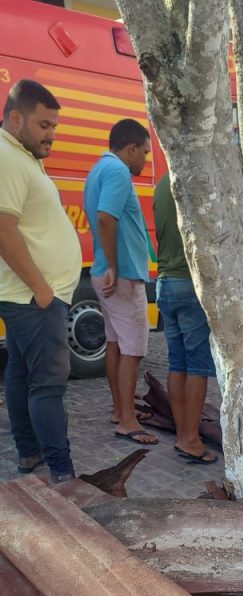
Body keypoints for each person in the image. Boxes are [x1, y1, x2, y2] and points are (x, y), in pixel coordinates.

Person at [0, 80, 81, 483]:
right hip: (34, 298)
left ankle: (30, 456)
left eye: (55, 126)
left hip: (31, 296)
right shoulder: (7, 157)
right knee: (48, 384)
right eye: (45, 125)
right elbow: (4, 232)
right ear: (16, 118)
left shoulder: (22, 156)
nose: (52, 134)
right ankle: (63, 476)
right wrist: (43, 291)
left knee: (20, 374)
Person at [84, 118, 158, 446]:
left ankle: (121, 410)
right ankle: (127, 421)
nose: (145, 159)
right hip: (123, 274)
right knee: (133, 350)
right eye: (143, 152)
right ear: (130, 149)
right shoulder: (117, 172)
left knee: (115, 344)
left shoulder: (99, 169)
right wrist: (115, 264)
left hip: (108, 271)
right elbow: (105, 217)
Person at [153, 173, 217, 464]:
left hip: (165, 281)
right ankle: (190, 438)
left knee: (177, 361)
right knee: (197, 365)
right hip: (191, 283)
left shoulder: (162, 184)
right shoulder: (196, 177)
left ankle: (183, 434)